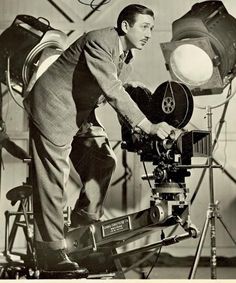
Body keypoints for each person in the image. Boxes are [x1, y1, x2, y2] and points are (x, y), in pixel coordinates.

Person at [23, 4, 176, 273]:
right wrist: (147, 125)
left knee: (103, 160)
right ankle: (51, 251)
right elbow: (112, 88)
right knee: (54, 176)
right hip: (53, 107)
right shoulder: (99, 40)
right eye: (144, 27)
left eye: (152, 28)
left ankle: (82, 236)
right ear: (125, 26)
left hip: (82, 111)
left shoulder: (126, 57)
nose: (149, 33)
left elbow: (112, 96)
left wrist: (138, 125)